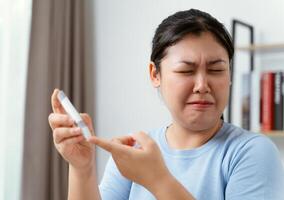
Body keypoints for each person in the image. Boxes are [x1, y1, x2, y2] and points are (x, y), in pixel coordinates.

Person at [48, 9, 284, 200]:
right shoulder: (135, 152)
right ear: (155, 74)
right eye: (186, 70)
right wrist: (82, 168)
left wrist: (158, 180)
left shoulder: (251, 152)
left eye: (216, 70)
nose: (202, 85)